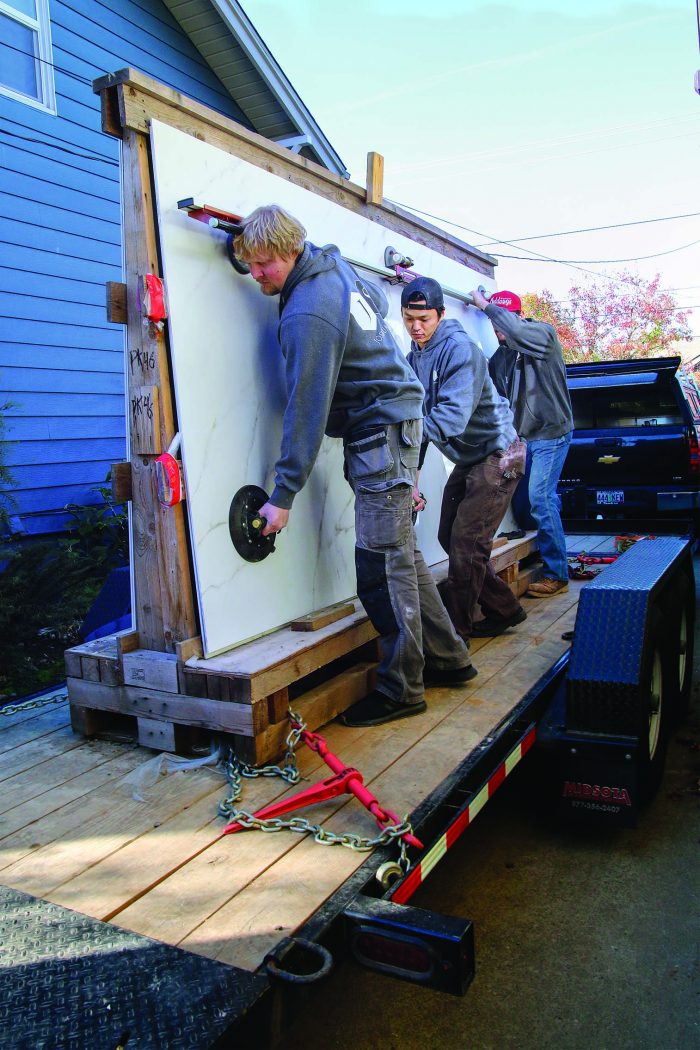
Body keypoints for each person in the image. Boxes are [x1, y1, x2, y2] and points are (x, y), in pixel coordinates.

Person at [232, 205, 474, 728]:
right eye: (249, 264)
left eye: (264, 264)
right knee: (403, 558)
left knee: (380, 567)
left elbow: (306, 405)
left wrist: (283, 494)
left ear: (291, 252)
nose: (256, 276)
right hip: (397, 425)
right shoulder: (332, 267)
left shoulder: (308, 313)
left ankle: (401, 689)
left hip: (381, 434)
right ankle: (451, 659)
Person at [401, 277, 527, 640]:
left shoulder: (459, 349)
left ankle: (452, 637)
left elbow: (449, 418)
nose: (416, 327)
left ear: (440, 314)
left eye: (424, 318)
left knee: (466, 544)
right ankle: (505, 609)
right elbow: (418, 416)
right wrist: (414, 480)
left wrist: (403, 432)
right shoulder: (415, 356)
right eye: (409, 318)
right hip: (471, 456)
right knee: (448, 536)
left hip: (500, 453)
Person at [471, 288, 573, 598]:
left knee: (540, 498)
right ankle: (557, 557)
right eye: (494, 325)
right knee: (540, 502)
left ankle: (557, 575)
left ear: (518, 317)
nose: (498, 329)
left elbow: (514, 329)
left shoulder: (543, 337)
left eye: (503, 321)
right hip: (525, 439)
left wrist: (485, 305)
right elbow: (489, 394)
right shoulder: (501, 358)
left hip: (552, 434)